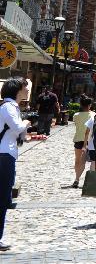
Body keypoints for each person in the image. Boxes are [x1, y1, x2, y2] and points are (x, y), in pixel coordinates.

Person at [0, 77, 31, 251]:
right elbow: (17, 126)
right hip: (3, 156)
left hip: (5, 154)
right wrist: (26, 122)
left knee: (4, 197)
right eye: (24, 88)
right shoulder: (8, 107)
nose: (27, 90)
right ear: (17, 90)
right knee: (3, 198)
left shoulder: (9, 107)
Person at [71, 95, 93, 188]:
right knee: (87, 162)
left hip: (78, 139)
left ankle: (77, 178)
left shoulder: (76, 115)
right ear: (90, 105)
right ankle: (84, 179)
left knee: (77, 160)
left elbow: (76, 124)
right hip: (89, 140)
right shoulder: (93, 115)